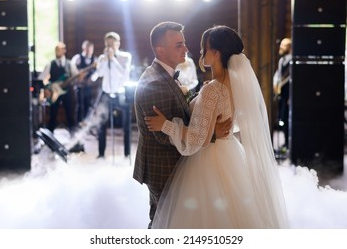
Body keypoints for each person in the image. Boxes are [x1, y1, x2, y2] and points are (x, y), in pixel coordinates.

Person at [145, 25, 289, 228]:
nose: (201, 52)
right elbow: (234, 123)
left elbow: (197, 140)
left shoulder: (213, 89)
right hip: (229, 152)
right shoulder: (235, 84)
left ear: (216, 53)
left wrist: (165, 125)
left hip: (208, 161)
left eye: (205, 48)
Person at [133, 21, 232, 228]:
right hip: (164, 166)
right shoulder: (155, 84)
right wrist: (211, 132)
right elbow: (162, 135)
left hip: (180, 161)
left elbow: (181, 114)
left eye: (184, 43)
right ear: (160, 49)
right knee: (163, 223)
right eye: (178, 45)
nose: (186, 49)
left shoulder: (166, 76)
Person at [94, 32, 132, 158]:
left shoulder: (125, 57)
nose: (109, 46)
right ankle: (101, 153)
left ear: (118, 44)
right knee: (101, 124)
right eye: (107, 44)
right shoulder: (102, 58)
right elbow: (98, 74)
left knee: (126, 124)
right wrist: (105, 60)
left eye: (112, 44)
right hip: (106, 94)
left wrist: (113, 59)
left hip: (120, 93)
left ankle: (127, 153)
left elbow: (124, 74)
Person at [39, 41, 77, 133]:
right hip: (53, 94)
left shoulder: (69, 64)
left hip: (66, 92)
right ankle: (49, 135)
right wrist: (47, 88)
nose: (57, 52)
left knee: (69, 113)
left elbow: (76, 76)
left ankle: (73, 135)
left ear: (64, 51)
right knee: (53, 114)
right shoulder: (51, 64)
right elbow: (42, 77)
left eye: (59, 50)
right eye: (56, 50)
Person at [70, 40, 98, 125]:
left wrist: (92, 79)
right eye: (87, 49)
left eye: (90, 49)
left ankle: (86, 123)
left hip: (89, 86)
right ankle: (78, 124)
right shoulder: (77, 58)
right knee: (79, 105)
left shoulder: (95, 59)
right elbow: (72, 70)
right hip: (79, 86)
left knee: (88, 105)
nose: (89, 51)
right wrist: (79, 75)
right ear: (84, 48)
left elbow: (97, 72)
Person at [273, 38, 292, 154]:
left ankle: (289, 144)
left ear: (289, 48)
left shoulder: (292, 62)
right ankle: (285, 142)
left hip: (289, 95)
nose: (281, 48)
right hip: (282, 95)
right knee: (283, 118)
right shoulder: (282, 61)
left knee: (288, 119)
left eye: (283, 46)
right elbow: (279, 76)